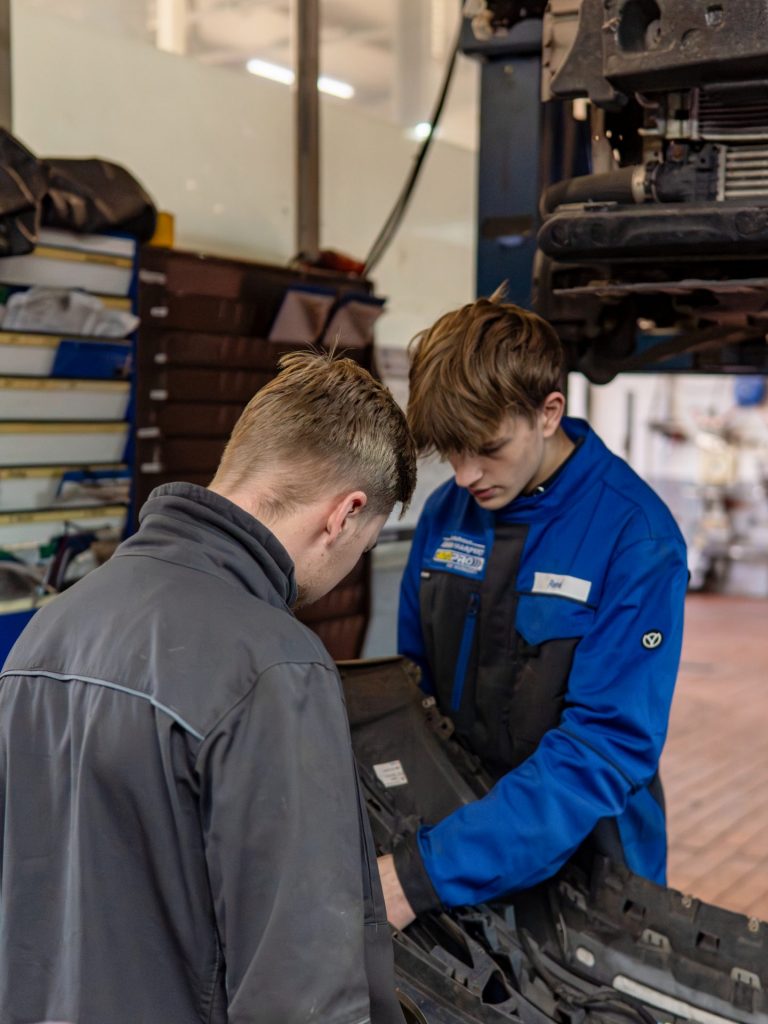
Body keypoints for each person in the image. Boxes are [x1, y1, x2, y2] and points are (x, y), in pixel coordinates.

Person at [0, 353, 415, 1023]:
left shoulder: (48, 631)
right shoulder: (274, 667)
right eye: (360, 549)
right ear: (343, 516)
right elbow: (301, 990)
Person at [377, 296, 688, 929]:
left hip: (591, 868)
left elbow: (602, 748)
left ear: (549, 413)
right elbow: (413, 687)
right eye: (451, 452)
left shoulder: (636, 538)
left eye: (487, 449)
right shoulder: (448, 514)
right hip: (455, 829)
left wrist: (424, 874)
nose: (465, 476)